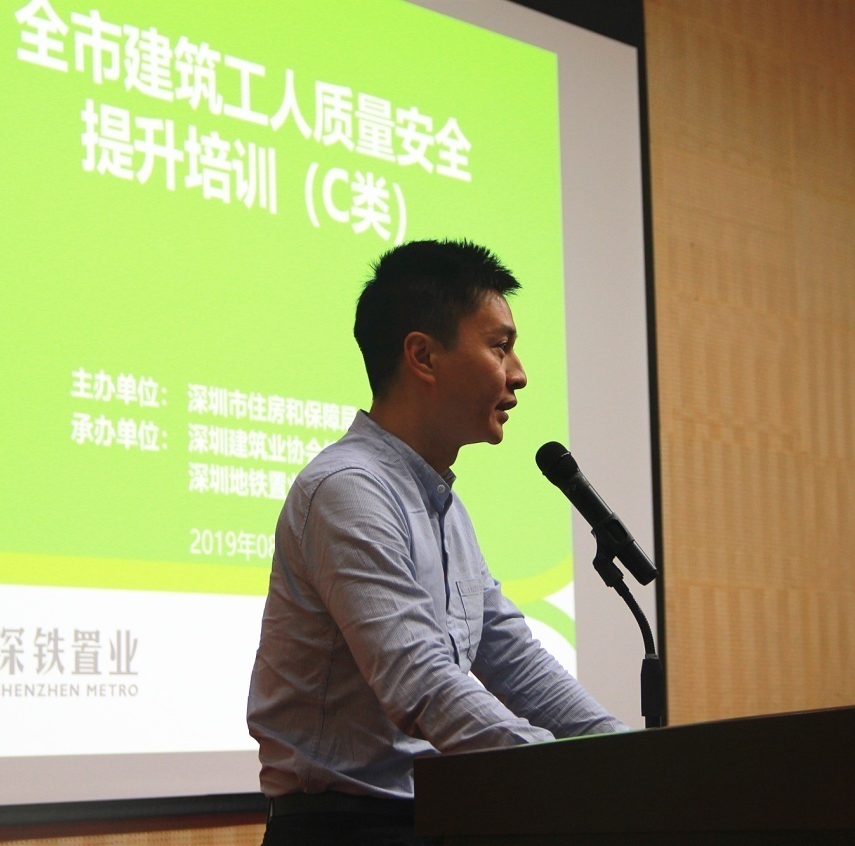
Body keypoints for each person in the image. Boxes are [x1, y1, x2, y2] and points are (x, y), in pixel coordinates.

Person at [247, 239, 626, 846]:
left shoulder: (445, 508)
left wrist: (631, 758)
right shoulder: (348, 489)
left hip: (436, 820)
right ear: (423, 356)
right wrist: (564, 775)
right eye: (500, 346)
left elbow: (515, 663)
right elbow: (420, 680)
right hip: (346, 830)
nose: (519, 373)